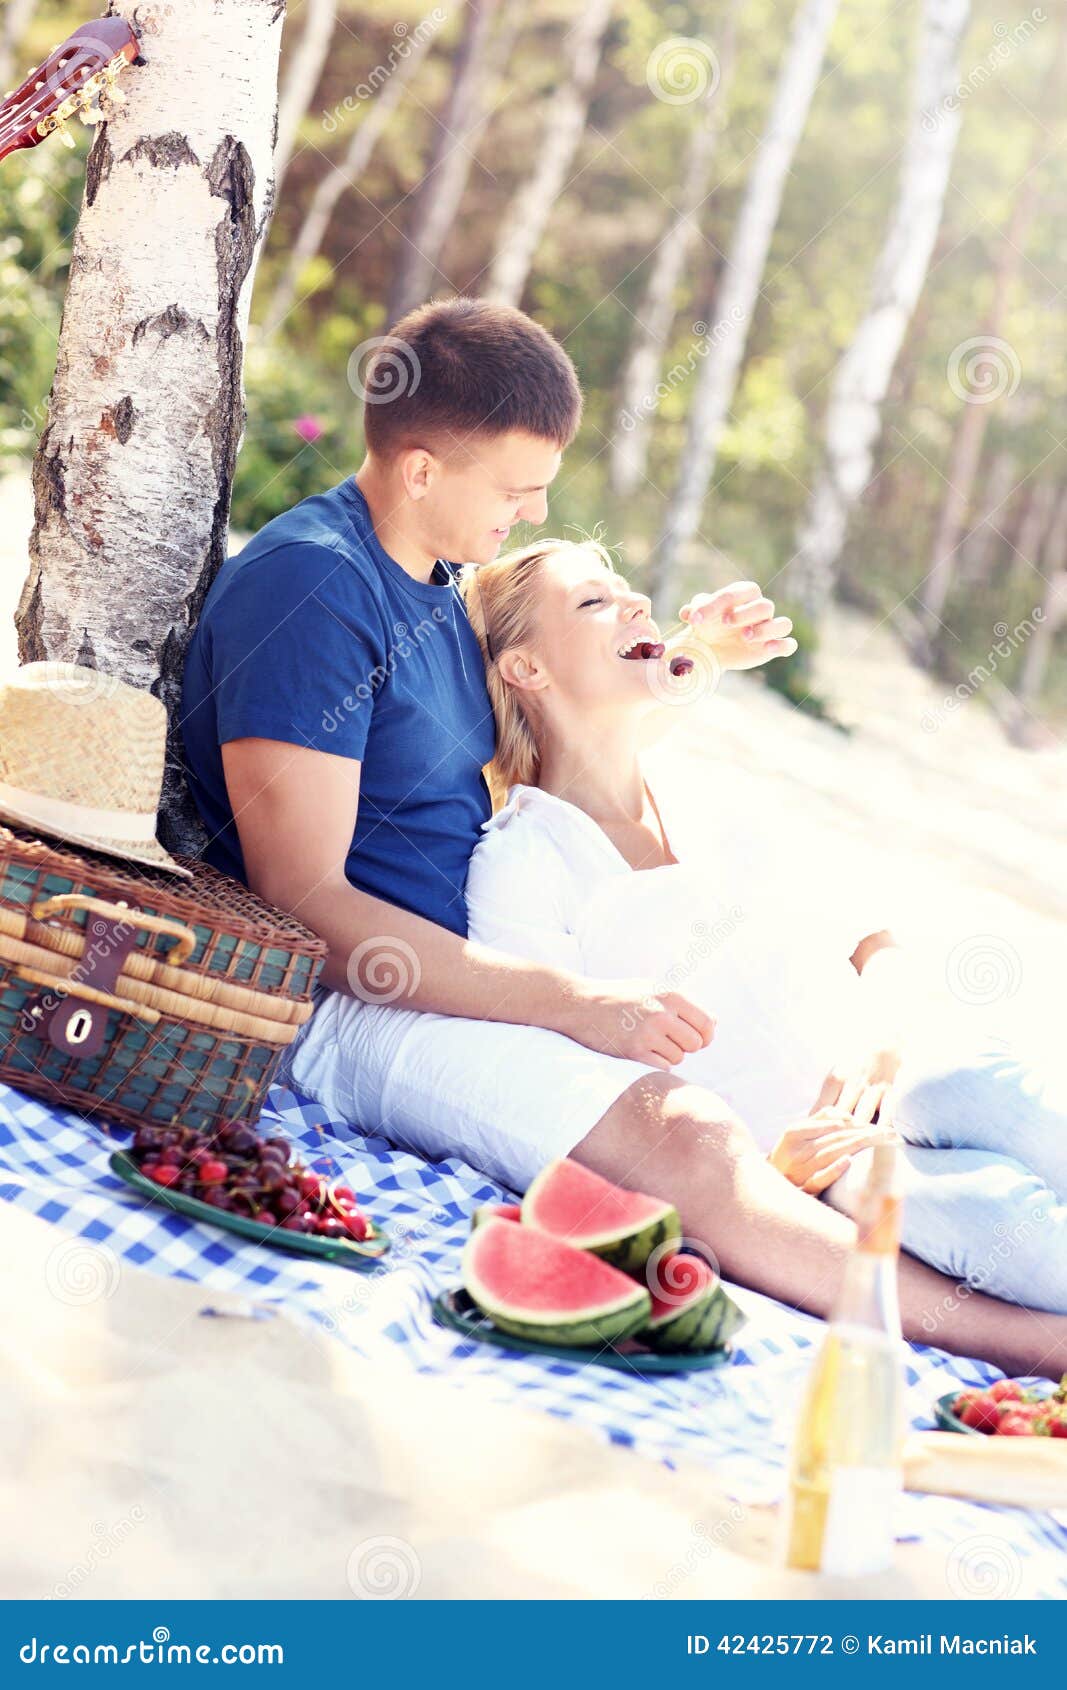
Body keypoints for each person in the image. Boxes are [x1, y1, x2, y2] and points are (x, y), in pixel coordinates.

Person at [181, 295, 1067, 1379]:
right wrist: (572, 1001)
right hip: (358, 1000)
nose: (536, 505)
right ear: (420, 472)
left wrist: (683, 650)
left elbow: (559, 709)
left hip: (467, 966)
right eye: (514, 488)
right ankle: (1030, 1341)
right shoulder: (315, 582)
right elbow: (307, 901)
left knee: (983, 1100)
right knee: (687, 1133)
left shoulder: (435, 577)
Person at [455, 536, 1067, 1317]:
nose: (635, 602)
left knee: (986, 1093)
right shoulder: (524, 861)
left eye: (623, 587)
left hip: (903, 1069)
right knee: (1001, 1223)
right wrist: (769, 1175)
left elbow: (875, 940)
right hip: (814, 1161)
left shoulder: (706, 790)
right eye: (592, 600)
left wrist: (878, 1045)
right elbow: (563, 1094)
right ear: (526, 669)